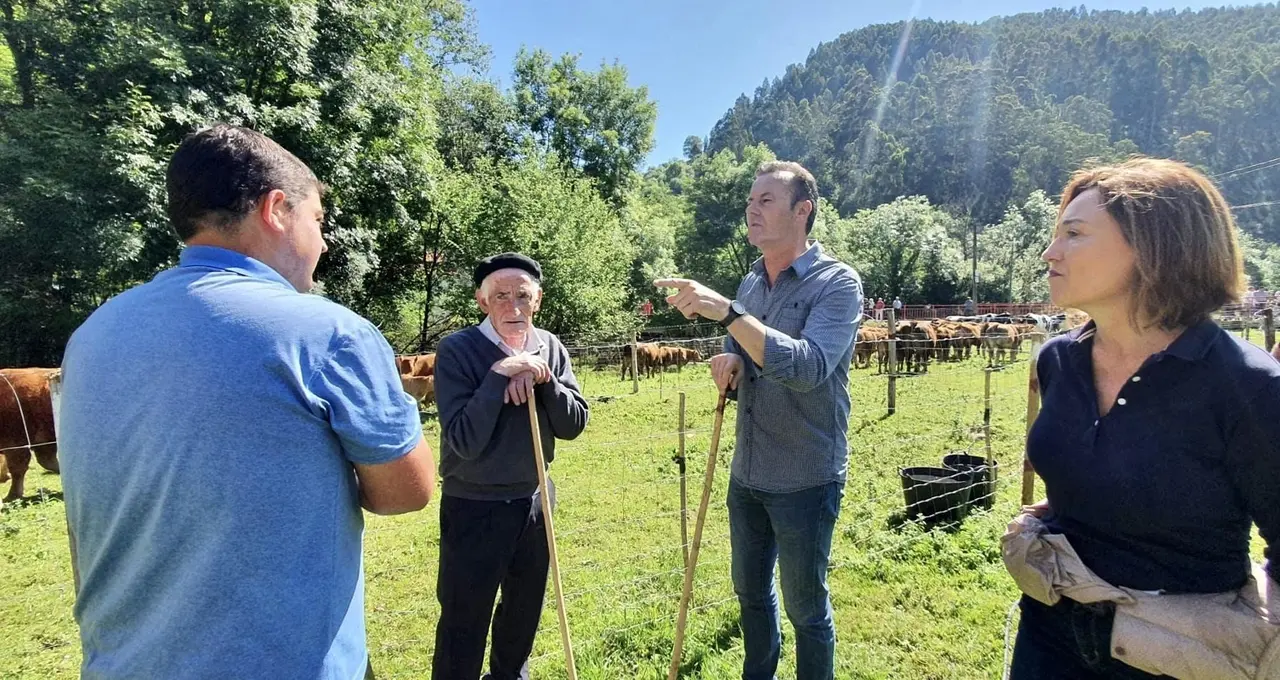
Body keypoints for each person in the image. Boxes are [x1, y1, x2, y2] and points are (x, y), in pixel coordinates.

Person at [59, 124, 436, 679]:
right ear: (276, 209)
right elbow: (407, 491)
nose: (324, 243)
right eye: (318, 222)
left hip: (123, 661)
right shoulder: (326, 333)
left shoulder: (94, 334)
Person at [1009, 158, 1280, 679]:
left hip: (1177, 654)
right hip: (1049, 629)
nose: (1050, 252)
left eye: (1074, 233)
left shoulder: (1247, 386)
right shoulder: (1058, 360)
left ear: (1155, 247)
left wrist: (1255, 640)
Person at [655, 160, 861, 680]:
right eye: (751, 200)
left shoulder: (837, 284)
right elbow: (741, 354)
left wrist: (726, 312)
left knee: (806, 608)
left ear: (802, 211)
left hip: (805, 475)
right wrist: (728, 363)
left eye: (766, 200)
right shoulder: (752, 282)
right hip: (748, 471)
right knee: (749, 594)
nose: (752, 208)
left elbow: (809, 367)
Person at [431, 253, 590, 680]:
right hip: (474, 504)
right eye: (500, 296)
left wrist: (545, 380)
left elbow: (573, 425)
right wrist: (499, 374)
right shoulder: (458, 350)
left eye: (522, 295)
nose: (513, 306)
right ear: (482, 303)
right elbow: (463, 440)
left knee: (522, 613)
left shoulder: (550, 347)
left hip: (535, 501)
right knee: (464, 619)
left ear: (537, 300)